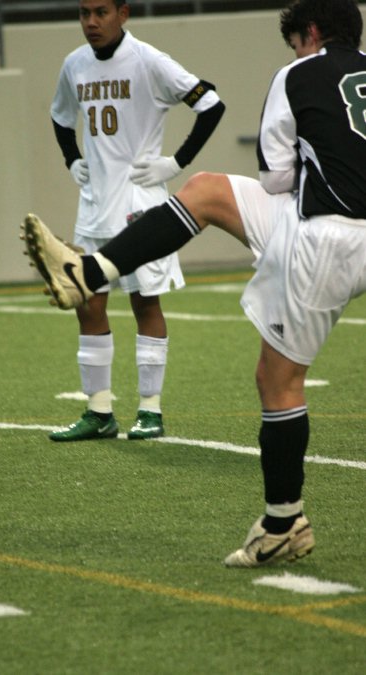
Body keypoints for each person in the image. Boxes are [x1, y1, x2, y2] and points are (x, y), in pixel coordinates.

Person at [22, 0, 366, 566]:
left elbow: (275, 176)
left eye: (296, 43)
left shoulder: (297, 73)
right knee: (203, 189)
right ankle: (89, 272)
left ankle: (283, 523)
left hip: (326, 235)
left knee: (278, 382)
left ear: (309, 34)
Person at [46, 0, 225, 442]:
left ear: (123, 13)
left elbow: (212, 103)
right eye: (84, 12)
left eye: (101, 12)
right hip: (93, 205)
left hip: (140, 206)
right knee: (88, 303)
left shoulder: (148, 60)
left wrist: (176, 162)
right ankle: (99, 411)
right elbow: (59, 116)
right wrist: (72, 160)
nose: (91, 22)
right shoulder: (74, 64)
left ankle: (150, 411)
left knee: (145, 303)